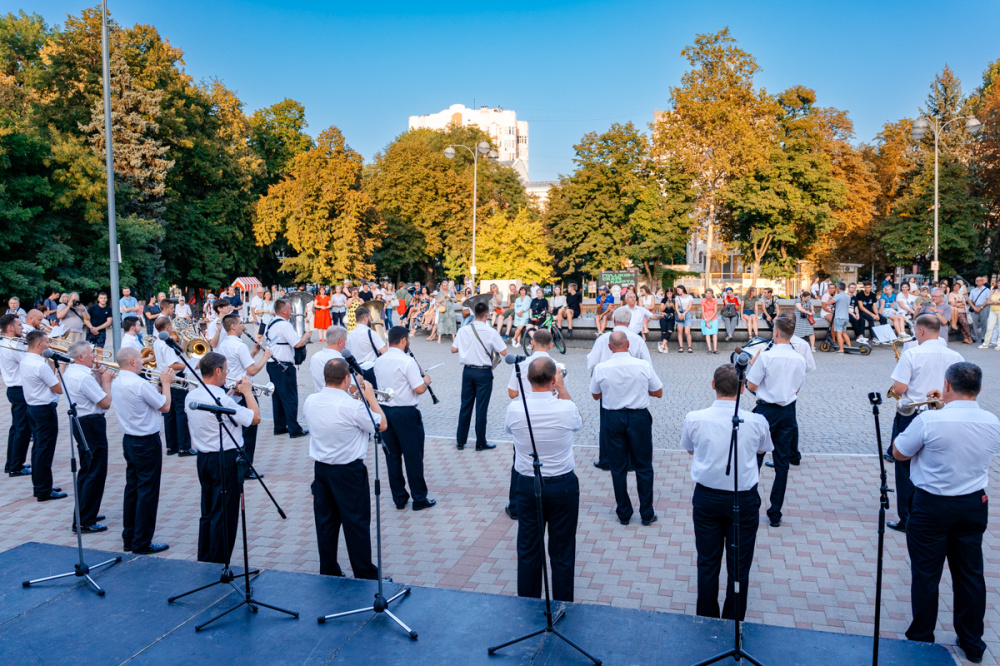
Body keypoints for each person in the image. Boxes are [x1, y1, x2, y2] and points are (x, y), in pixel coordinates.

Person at [892, 362, 999, 664]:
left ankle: (922, 637)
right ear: (978, 389)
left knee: (926, 574)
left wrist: (931, 411)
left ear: (947, 386)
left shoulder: (930, 421)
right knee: (970, 574)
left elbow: (899, 452)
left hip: (931, 505)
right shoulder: (992, 421)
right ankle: (972, 642)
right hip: (973, 504)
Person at [682, 364, 773, 620]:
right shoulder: (757, 421)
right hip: (742, 499)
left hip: (707, 498)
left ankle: (707, 619)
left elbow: (690, 449)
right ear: (743, 389)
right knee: (739, 566)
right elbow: (762, 450)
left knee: (707, 562)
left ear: (713, 386)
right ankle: (734, 621)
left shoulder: (695, 418)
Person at [504, 356, 581, 602]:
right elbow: (577, 424)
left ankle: (528, 604)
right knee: (563, 550)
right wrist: (562, 388)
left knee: (528, 548)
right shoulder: (566, 407)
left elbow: (509, 431)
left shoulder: (515, 408)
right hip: (563, 485)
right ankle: (562, 604)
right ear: (553, 379)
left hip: (527, 484)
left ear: (527, 379)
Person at [886, 314, 964, 533]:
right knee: (939, 463)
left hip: (913, 414)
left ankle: (908, 519)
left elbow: (899, 390)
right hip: (944, 414)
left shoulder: (912, 353)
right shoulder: (955, 354)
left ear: (920, 331)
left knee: (904, 467)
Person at [304, 358, 382, 578]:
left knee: (326, 522)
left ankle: (329, 569)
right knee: (355, 522)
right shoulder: (353, 406)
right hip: (349, 472)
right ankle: (364, 572)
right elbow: (381, 424)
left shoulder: (311, 400)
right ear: (347, 379)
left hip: (321, 470)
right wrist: (370, 399)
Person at [185, 352, 259, 563]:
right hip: (225, 459)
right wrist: (247, 392)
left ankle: (206, 557)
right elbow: (255, 418)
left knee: (207, 510)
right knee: (224, 513)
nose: (227, 374)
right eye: (225, 370)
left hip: (204, 459)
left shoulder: (193, 396)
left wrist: (228, 393)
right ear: (217, 371)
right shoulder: (221, 400)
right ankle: (219, 562)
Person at [591, 332, 663, 526]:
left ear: (609, 347)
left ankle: (624, 512)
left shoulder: (601, 368)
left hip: (612, 417)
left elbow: (595, 395)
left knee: (617, 466)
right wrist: (640, 390)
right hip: (638, 417)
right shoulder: (643, 365)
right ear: (629, 344)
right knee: (644, 466)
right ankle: (647, 512)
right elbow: (658, 391)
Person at [111, 347, 173, 554]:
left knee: (133, 489)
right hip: (146, 442)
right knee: (148, 492)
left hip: (129, 440)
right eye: (140, 359)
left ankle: (129, 537)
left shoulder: (118, 381)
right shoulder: (139, 383)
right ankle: (142, 542)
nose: (144, 362)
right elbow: (165, 407)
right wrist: (166, 384)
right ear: (132, 362)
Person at [746, 316, 806, 528]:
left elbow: (751, 387)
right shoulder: (800, 359)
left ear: (776, 333)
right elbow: (797, 388)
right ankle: (775, 512)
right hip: (788, 411)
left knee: (755, 457)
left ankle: (751, 503)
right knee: (782, 463)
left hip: (766, 410)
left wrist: (752, 366)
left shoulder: (766, 356)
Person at [374, 327, 435, 512]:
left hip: (385, 412)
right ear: (402, 340)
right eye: (407, 340)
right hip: (406, 413)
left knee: (392, 457)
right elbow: (419, 389)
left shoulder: (379, 360)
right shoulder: (407, 361)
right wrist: (426, 380)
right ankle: (419, 498)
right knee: (413, 457)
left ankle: (399, 498)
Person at [61, 341, 114, 532]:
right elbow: (105, 403)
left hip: (83, 422)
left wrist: (100, 379)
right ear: (81, 356)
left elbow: (95, 395)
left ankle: (85, 511)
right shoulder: (83, 377)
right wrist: (107, 381)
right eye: (91, 353)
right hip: (91, 423)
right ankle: (85, 520)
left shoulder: (72, 372)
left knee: (88, 469)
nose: (94, 356)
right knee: (95, 471)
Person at [218, 314, 271, 477]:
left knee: (236, 431)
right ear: (233, 326)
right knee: (249, 432)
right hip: (243, 392)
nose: (243, 326)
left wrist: (253, 354)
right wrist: (265, 357)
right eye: (241, 323)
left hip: (230, 391)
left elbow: (238, 365)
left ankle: (236, 465)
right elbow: (252, 370)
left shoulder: (222, 344)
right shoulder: (239, 345)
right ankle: (246, 468)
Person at [451, 301, 507, 451]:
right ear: (487, 315)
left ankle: (461, 441)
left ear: (474, 313)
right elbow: (504, 352)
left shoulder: (463, 330)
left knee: (465, 406)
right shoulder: (490, 332)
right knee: (481, 408)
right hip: (483, 372)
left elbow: (453, 349)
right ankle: (480, 442)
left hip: (467, 371)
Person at [21, 331, 65, 501]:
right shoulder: (39, 365)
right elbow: (58, 388)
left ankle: (40, 485)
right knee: (45, 450)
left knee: (38, 448)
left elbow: (46, 377)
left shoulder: (28, 360)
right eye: (47, 342)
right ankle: (43, 489)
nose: (50, 345)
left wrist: (52, 364)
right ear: (39, 344)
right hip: (44, 409)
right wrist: (61, 367)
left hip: (33, 408)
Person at [263, 299, 311, 438]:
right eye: (290, 309)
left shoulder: (271, 323)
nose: (291, 311)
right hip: (283, 365)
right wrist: (306, 337)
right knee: (290, 398)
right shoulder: (285, 325)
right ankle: (294, 429)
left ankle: (280, 426)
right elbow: (297, 344)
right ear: (283, 310)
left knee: (277, 397)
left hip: (272, 364)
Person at [153, 317, 194, 457]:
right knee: (181, 412)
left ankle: (172, 446)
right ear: (167, 327)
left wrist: (184, 342)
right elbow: (173, 364)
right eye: (170, 325)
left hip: (164, 377)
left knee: (169, 414)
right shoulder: (166, 343)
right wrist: (193, 365)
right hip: (175, 378)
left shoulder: (158, 341)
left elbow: (176, 355)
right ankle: (184, 447)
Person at [0, 315, 31, 477]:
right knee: (22, 429)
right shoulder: (13, 346)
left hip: (14, 389)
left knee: (16, 428)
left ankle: (11, 463)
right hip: (19, 390)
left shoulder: (7, 343)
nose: (22, 327)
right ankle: (16, 466)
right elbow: (29, 363)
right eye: (19, 325)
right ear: (10, 328)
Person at [345, 306, 387, 386]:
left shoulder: (350, 334)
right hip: (371, 370)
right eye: (369, 317)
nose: (371, 320)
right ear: (365, 318)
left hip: (357, 370)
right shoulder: (371, 333)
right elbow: (384, 352)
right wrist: (386, 344)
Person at [310, 326, 347, 393]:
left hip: (320, 395)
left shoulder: (315, 357)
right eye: (345, 341)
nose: (345, 345)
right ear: (340, 342)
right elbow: (351, 387)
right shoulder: (341, 360)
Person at [827, 283, 852, 353]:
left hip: (839, 317)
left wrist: (830, 298)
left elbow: (829, 302)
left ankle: (841, 349)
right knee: (844, 333)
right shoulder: (848, 296)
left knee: (838, 333)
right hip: (846, 317)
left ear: (838, 288)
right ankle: (850, 346)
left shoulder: (838, 296)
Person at [968, 277, 991, 344]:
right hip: (975, 307)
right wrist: (974, 308)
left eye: (980, 280)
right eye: (977, 280)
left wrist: (980, 307)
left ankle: (983, 338)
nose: (978, 281)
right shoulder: (973, 290)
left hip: (984, 307)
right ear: (975, 282)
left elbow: (987, 300)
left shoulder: (987, 290)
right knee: (973, 323)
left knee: (984, 323)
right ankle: (974, 337)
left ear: (983, 281)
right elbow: (969, 300)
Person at [675, 285, 694, 352]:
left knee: (687, 332)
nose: (678, 291)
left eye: (678, 290)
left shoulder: (689, 297)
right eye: (677, 290)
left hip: (686, 313)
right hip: (679, 313)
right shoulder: (677, 297)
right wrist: (679, 313)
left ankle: (689, 347)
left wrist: (684, 313)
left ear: (682, 289)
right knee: (680, 331)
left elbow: (690, 306)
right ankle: (681, 347)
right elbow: (676, 306)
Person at [657, 287, 676, 354]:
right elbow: (661, 309)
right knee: (664, 331)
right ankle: (666, 347)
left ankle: (662, 346)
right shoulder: (663, 300)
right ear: (666, 294)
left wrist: (672, 305)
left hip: (671, 316)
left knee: (670, 330)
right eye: (668, 293)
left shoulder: (674, 300)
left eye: (670, 293)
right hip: (664, 316)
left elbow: (676, 310)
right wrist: (665, 305)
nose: (669, 295)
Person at [700, 289, 719, 354]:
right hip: (705, 318)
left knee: (714, 333)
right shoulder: (703, 301)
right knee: (707, 334)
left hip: (713, 318)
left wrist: (710, 319)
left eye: (710, 293)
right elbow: (702, 312)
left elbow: (715, 311)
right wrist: (706, 321)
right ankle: (709, 348)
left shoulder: (714, 300)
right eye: (707, 293)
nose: (708, 295)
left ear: (712, 294)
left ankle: (715, 348)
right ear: (705, 294)